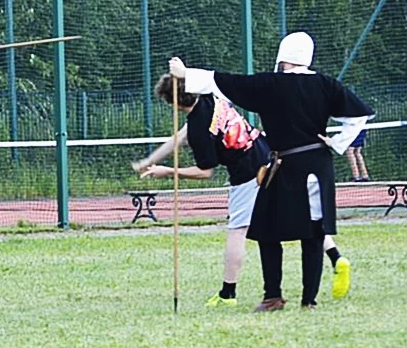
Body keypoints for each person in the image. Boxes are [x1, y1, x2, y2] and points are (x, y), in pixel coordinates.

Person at [169, 32, 372, 312]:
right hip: (310, 166)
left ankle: (274, 296)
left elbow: (223, 81)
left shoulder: (270, 84)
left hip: (282, 165)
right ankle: (306, 300)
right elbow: (359, 115)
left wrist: (185, 74)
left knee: (269, 232)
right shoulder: (326, 84)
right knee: (309, 233)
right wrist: (337, 143)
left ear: (283, 57)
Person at [132, 74, 271, 307]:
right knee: (299, 213)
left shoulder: (199, 129)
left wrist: (169, 171)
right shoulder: (209, 96)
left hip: (248, 174)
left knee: (237, 230)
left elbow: (205, 172)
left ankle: (228, 294)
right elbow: (179, 137)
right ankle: (333, 256)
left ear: (174, 105)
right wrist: (148, 161)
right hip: (266, 152)